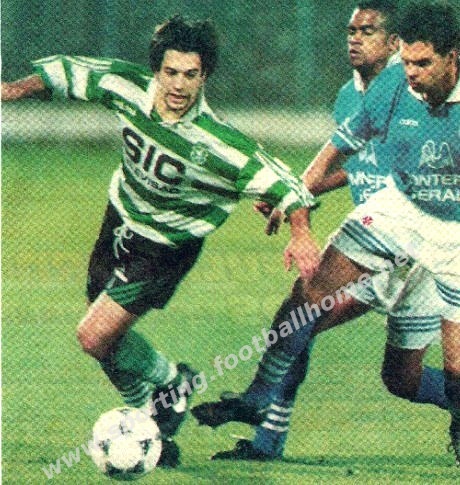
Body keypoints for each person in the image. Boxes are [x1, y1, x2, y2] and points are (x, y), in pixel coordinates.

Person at [1, 15, 321, 467]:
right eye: (170, 72)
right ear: (156, 70)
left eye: (191, 74)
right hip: (118, 222)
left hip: (166, 247)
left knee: (93, 336)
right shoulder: (128, 87)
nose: (178, 85)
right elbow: (70, 72)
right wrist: (14, 90)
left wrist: (301, 233)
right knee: (108, 343)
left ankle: (172, 382)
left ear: (205, 76)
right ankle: (149, 423)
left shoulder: (218, 142)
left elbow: (287, 186)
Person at [192, 0, 459, 464]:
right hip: (398, 213)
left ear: (452, 57)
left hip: (450, 238)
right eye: (407, 62)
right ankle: (259, 406)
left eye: (422, 63)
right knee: (307, 299)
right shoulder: (382, 88)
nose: (411, 73)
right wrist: (293, 196)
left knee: (418, 377)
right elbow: (340, 153)